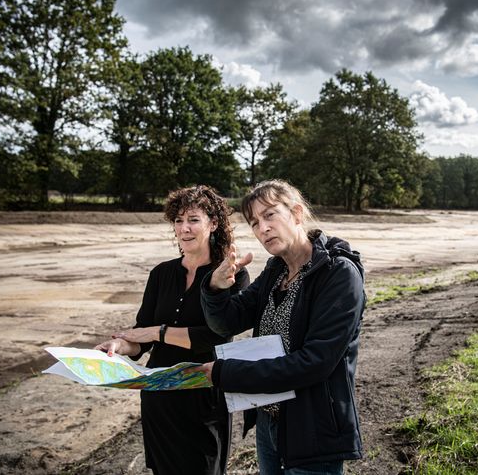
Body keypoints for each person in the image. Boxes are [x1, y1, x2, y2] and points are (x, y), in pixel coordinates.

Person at [199, 179, 365, 474]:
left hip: (314, 428)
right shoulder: (276, 270)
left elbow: (315, 362)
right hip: (270, 421)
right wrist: (215, 288)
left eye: (270, 215)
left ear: (297, 214)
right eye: (254, 222)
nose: (262, 228)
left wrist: (228, 373)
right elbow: (226, 320)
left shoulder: (338, 274)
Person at [95, 185, 250, 475]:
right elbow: (139, 339)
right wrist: (118, 346)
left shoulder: (232, 273)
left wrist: (156, 332)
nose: (184, 228)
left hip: (203, 395)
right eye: (178, 220)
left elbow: (215, 335)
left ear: (213, 223)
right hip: (158, 396)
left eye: (193, 219)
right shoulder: (160, 273)